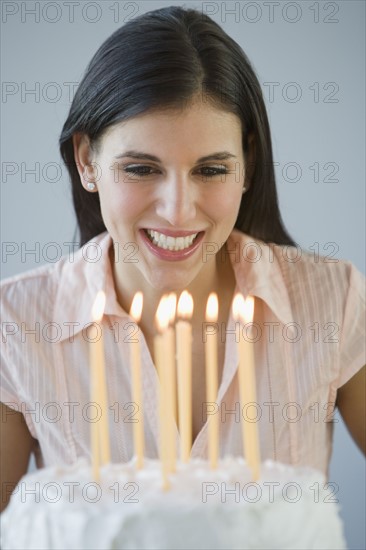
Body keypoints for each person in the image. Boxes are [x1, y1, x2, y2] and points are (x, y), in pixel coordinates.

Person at [1, 5, 365, 513]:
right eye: (141, 168)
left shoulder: (335, 302)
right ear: (87, 161)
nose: (177, 210)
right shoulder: (16, 323)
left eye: (211, 170)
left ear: (247, 163)